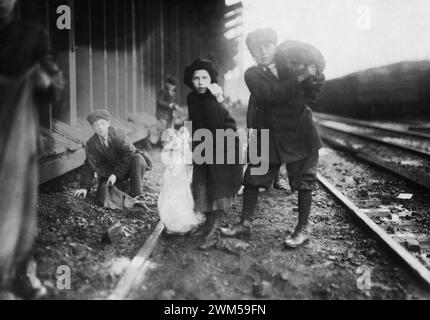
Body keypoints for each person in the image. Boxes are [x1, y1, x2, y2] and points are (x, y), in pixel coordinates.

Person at [221, 28, 323, 248]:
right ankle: (245, 223)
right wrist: (302, 77)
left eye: (267, 46)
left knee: (305, 181)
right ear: (251, 52)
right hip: (265, 132)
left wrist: (313, 75)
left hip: (299, 132)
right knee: (252, 179)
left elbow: (314, 88)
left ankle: (303, 228)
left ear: (275, 46)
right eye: (257, 49)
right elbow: (271, 94)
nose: (263, 52)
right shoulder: (252, 74)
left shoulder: (291, 65)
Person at [0, 0, 63, 299]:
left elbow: (54, 87)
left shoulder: (32, 35)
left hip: (17, 132)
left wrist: (44, 82)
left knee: (20, 204)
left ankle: (17, 273)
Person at [184, 59, 243, 250]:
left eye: (204, 78)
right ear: (191, 80)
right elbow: (194, 123)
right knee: (202, 184)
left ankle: (214, 231)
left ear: (211, 80)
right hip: (204, 145)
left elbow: (219, 125)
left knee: (217, 187)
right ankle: (207, 226)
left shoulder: (214, 99)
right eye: (196, 78)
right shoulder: (192, 98)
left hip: (224, 146)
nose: (200, 82)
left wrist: (219, 100)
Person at [74, 110, 152, 206]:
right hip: (109, 174)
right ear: (93, 127)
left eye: (103, 123)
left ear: (108, 123)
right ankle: (124, 192)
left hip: (127, 168)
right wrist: (84, 187)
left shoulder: (118, 134)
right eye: (96, 125)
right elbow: (89, 164)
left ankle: (135, 194)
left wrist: (116, 174)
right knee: (103, 194)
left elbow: (129, 154)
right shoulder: (92, 144)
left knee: (138, 158)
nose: (100, 127)